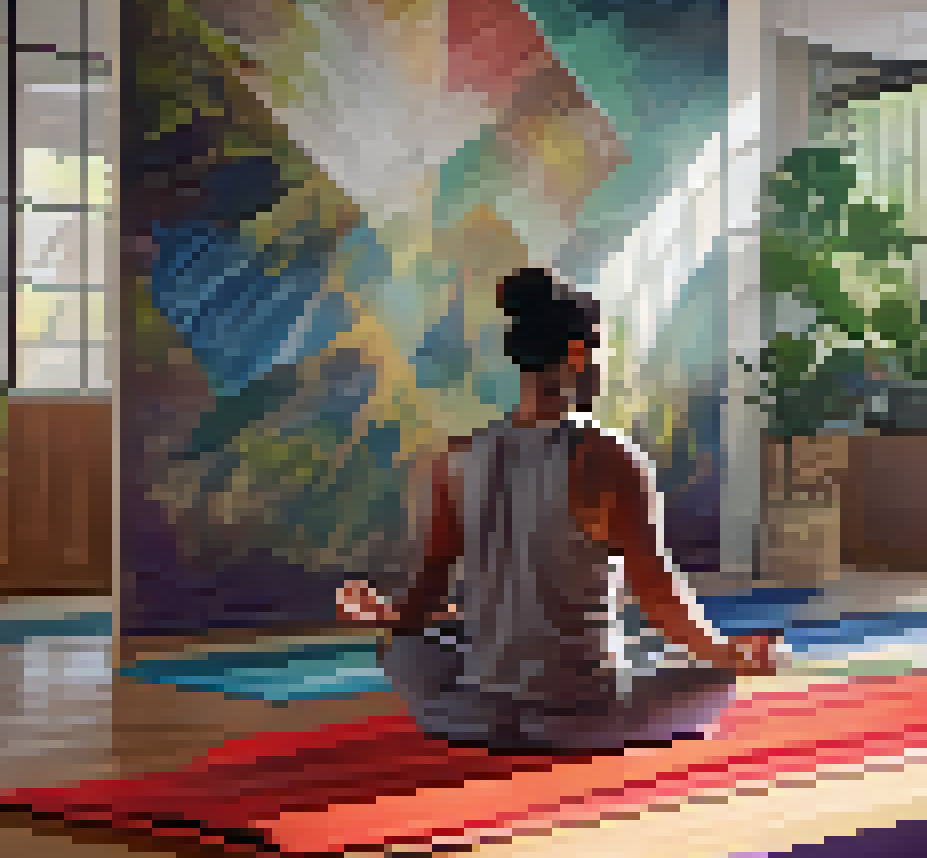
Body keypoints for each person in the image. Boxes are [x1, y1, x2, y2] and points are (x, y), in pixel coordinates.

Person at [335, 267, 784, 752]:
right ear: (577, 354)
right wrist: (733, 654)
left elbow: (425, 596)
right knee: (714, 678)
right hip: (581, 714)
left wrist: (387, 617)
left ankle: (493, 709)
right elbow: (660, 600)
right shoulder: (612, 459)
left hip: (470, 712)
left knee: (406, 648)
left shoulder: (456, 458)